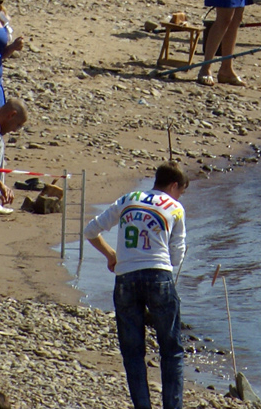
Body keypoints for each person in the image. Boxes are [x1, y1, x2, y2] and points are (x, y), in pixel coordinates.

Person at [86, 165, 189, 409]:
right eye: (181, 192)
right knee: (171, 351)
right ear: (174, 186)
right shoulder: (175, 208)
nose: (179, 197)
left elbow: (91, 231)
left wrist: (111, 254)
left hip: (126, 278)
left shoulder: (127, 199)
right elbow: (176, 258)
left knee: (133, 353)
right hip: (159, 277)